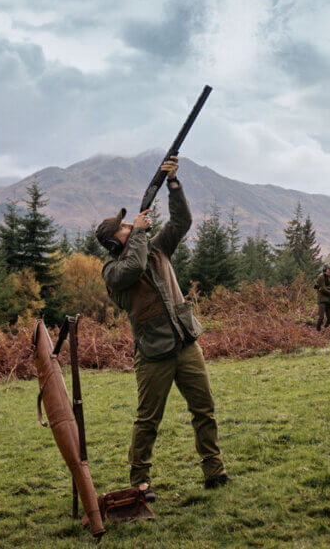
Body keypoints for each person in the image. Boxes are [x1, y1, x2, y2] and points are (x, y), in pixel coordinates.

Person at [95, 155, 230, 501]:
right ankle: (140, 482)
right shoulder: (112, 274)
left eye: (130, 224)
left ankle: (214, 472)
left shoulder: (156, 248)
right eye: (124, 227)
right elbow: (134, 264)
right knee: (147, 421)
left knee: (205, 409)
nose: (132, 225)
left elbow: (182, 221)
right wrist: (139, 233)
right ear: (114, 242)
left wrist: (172, 183)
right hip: (153, 354)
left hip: (185, 344)